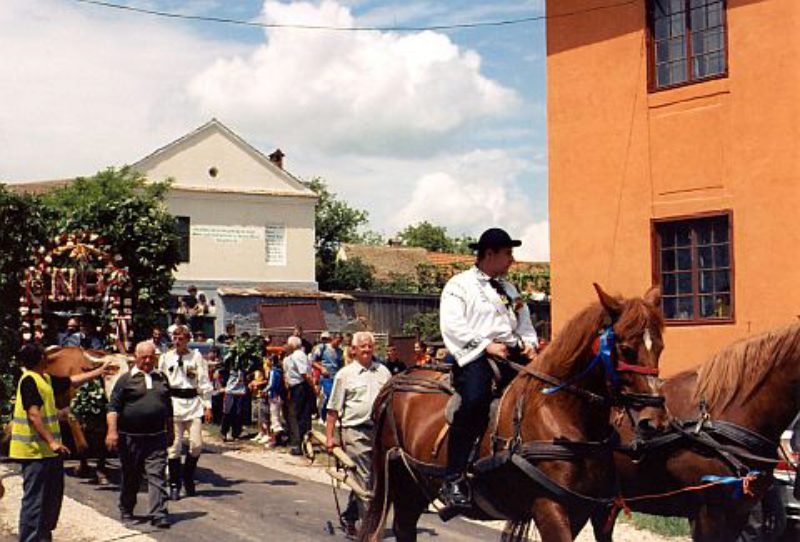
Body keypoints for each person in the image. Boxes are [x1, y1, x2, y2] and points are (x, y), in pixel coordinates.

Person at [438, 227, 538, 512]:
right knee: (475, 400)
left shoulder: (510, 290)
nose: (512, 259)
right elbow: (453, 326)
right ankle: (454, 477)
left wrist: (529, 344)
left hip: (512, 352)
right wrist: (486, 346)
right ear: (490, 254)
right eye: (508, 253)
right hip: (475, 356)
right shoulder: (459, 285)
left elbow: (525, 323)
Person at [10, 344, 112, 542]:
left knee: (51, 500)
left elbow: (71, 381)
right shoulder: (30, 381)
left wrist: (99, 371)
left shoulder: (45, 379)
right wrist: (52, 441)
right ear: (40, 358)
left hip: (49, 453)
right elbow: (33, 414)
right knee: (35, 502)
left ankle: (43, 537)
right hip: (35, 453)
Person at [325, 331, 391, 535]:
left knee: (375, 480)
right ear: (353, 350)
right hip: (355, 433)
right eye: (362, 346)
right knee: (364, 480)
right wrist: (329, 438)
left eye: (370, 345)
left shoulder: (384, 372)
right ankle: (370, 531)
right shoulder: (344, 375)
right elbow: (333, 409)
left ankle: (352, 517)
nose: (367, 349)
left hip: (380, 434)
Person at [106, 341, 173, 529]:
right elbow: (113, 408)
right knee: (131, 476)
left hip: (156, 437)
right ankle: (126, 509)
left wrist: (171, 431)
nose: (148, 360)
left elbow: (168, 408)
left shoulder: (162, 378)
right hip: (130, 438)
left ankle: (159, 513)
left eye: (151, 357)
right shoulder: (125, 380)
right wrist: (112, 432)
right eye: (144, 357)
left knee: (157, 475)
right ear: (135, 357)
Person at [158, 325, 212, 501]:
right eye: (174, 338)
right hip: (174, 404)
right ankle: (174, 484)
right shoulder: (166, 358)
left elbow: (203, 381)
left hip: (193, 404)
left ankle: (188, 477)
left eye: (181, 338)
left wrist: (208, 405)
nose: (177, 341)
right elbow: (161, 382)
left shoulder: (196, 357)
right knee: (174, 448)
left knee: (196, 445)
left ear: (187, 339)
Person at [283, 336, 314, 456]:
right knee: (294, 415)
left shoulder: (299, 355)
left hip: (301, 386)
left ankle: (302, 443)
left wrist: (312, 386)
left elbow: (304, 374)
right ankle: (297, 441)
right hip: (294, 388)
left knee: (301, 416)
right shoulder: (289, 357)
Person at [310, 332, 344, 419]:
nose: (338, 343)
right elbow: (312, 361)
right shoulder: (323, 348)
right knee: (328, 396)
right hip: (326, 377)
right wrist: (322, 368)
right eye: (337, 341)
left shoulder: (340, 351)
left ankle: (331, 416)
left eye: (340, 342)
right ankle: (323, 415)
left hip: (336, 377)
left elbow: (341, 364)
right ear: (333, 339)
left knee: (335, 397)